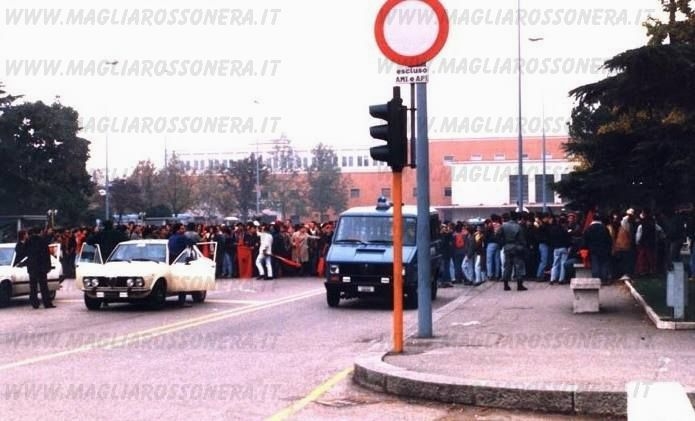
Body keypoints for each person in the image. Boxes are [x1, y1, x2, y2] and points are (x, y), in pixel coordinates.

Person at [25, 227, 54, 308]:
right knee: (44, 286)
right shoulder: (43, 241)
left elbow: (24, 252)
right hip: (41, 267)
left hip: (32, 267)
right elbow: (46, 255)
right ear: (40, 232)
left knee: (33, 286)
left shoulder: (28, 241)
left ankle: (34, 303)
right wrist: (48, 266)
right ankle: (47, 303)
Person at [499, 212, 527, 291]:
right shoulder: (518, 227)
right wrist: (523, 247)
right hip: (517, 248)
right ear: (517, 218)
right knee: (518, 266)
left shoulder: (504, 226)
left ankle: (506, 285)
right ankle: (519, 285)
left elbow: (498, 235)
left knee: (507, 266)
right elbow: (522, 239)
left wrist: (503, 243)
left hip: (507, 247)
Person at [582, 212, 613, 283]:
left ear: (593, 219)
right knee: (604, 264)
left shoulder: (589, 228)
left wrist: (585, 248)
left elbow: (585, 240)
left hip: (593, 250)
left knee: (595, 264)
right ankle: (604, 279)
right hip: (604, 249)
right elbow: (609, 240)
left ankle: (596, 280)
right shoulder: (604, 228)